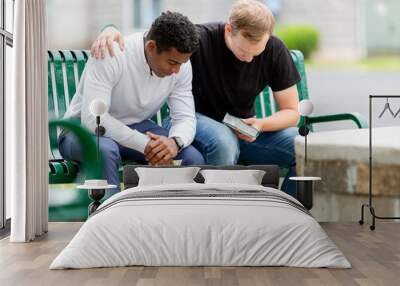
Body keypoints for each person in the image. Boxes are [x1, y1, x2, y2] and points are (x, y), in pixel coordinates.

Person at [91, 0, 300, 197]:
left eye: (257, 53)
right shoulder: (199, 40)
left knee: (302, 147)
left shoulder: (275, 50)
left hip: (246, 129)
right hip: (198, 121)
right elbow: (161, 35)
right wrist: (108, 28)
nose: (249, 59)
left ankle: (289, 212)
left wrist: (261, 124)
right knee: (224, 141)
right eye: (244, 51)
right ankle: (214, 213)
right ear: (229, 30)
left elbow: (292, 112)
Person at [60, 12, 205, 193]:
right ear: (151, 47)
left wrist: (174, 142)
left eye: (181, 64)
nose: (176, 70)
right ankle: (111, 218)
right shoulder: (111, 53)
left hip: (136, 128)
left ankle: (172, 218)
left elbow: (185, 117)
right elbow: (93, 120)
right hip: (82, 131)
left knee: (191, 158)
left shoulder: (181, 66)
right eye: (172, 62)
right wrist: (144, 143)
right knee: (105, 150)